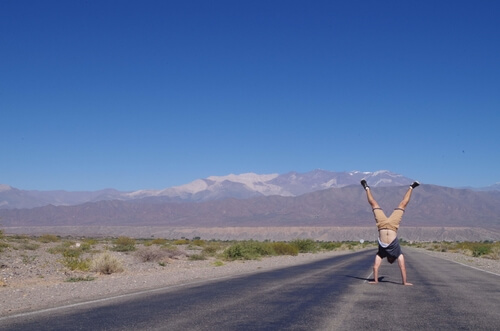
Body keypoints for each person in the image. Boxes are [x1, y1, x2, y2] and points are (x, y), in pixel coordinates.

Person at [361, 179, 420, 286]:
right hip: (393, 225)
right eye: (391, 261)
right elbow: (402, 267)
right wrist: (404, 282)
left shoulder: (381, 253)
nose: (391, 261)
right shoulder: (398, 253)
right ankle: (412, 187)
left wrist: (376, 280)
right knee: (403, 204)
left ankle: (366, 188)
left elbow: (375, 267)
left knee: (374, 204)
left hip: (382, 225)